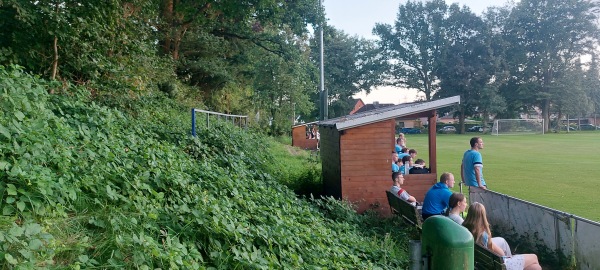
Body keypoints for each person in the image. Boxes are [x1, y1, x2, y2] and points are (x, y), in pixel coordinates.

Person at [463, 202, 542, 270]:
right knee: (534, 257)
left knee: (536, 267)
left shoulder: (464, 229)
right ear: (483, 216)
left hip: (486, 265)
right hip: (501, 266)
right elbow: (501, 254)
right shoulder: (483, 235)